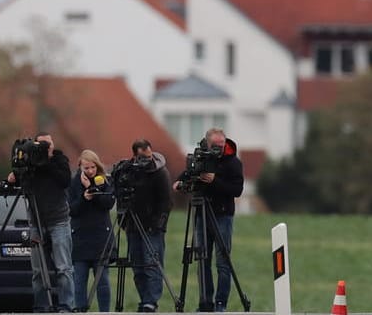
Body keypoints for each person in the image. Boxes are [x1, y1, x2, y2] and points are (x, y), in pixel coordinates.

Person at [175, 126, 244, 311]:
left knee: (223, 262)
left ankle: (220, 303)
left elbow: (237, 190)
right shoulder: (201, 158)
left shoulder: (233, 163)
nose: (219, 148)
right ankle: (205, 303)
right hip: (202, 215)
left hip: (223, 215)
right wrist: (180, 181)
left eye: (221, 144)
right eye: (215, 145)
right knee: (202, 260)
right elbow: (189, 172)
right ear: (207, 143)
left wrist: (214, 181)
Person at [8, 132, 75, 313]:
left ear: (53, 145)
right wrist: (15, 177)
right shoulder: (31, 164)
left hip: (58, 220)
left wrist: (47, 162)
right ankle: (41, 306)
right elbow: (24, 185)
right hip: (36, 221)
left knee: (63, 267)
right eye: (42, 145)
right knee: (38, 270)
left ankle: (66, 306)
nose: (46, 148)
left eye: (48, 144)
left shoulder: (59, 160)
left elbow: (65, 181)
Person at [120, 139, 174, 313]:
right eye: (143, 157)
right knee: (138, 266)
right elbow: (121, 194)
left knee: (152, 264)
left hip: (152, 227)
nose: (147, 160)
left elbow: (166, 202)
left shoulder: (160, 172)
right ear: (135, 155)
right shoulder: (129, 171)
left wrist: (158, 224)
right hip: (133, 225)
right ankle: (144, 299)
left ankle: (151, 301)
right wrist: (124, 221)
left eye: (149, 156)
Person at [69, 150, 116, 313]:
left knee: (102, 280)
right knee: (79, 279)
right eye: (86, 168)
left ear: (97, 166)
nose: (89, 171)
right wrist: (84, 197)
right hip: (80, 237)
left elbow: (108, 203)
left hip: (100, 237)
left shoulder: (105, 181)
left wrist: (93, 191)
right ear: (80, 167)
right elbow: (72, 210)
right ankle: (80, 309)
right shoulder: (74, 184)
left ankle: (104, 311)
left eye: (92, 167)